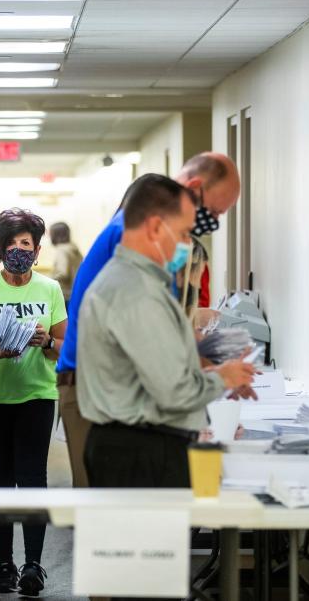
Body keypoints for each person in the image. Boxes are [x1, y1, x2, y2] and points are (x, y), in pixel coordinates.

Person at [55, 152, 242, 489]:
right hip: (106, 398)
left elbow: (160, 338)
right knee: (116, 525)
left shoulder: (146, 262)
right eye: (210, 213)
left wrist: (207, 370)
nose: (190, 242)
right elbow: (154, 350)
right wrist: (215, 380)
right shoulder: (132, 263)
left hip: (117, 396)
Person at [0, 209, 67, 597]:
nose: (18, 250)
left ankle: (33, 565)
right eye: (11, 244)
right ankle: (5, 565)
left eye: (25, 243)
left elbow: (63, 348)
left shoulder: (50, 290)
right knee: (0, 483)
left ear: (37, 249)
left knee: (33, 480)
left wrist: (46, 343)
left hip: (38, 397)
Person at [48, 221, 82, 305]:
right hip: (75, 292)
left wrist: (47, 281)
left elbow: (62, 273)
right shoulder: (73, 248)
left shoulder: (62, 250)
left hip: (65, 295)